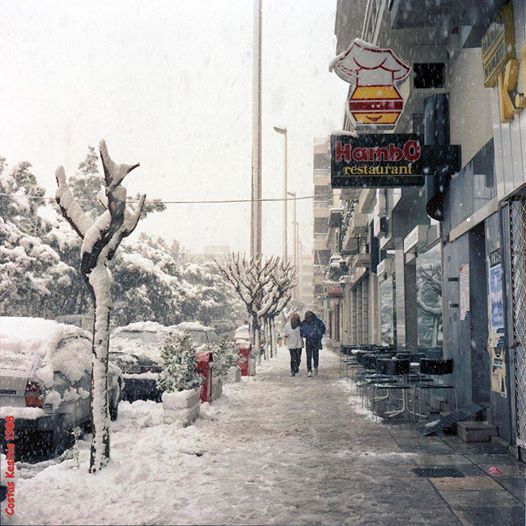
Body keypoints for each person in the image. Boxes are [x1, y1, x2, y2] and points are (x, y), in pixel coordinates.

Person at [300, 311, 326, 377]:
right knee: (310, 356)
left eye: (310, 317)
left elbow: (323, 329)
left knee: (314, 356)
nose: (309, 318)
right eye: (308, 317)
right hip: (309, 341)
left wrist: (318, 334)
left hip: (315, 341)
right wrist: (306, 335)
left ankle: (314, 368)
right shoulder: (305, 322)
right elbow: (301, 331)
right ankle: (310, 369)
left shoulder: (317, 322)